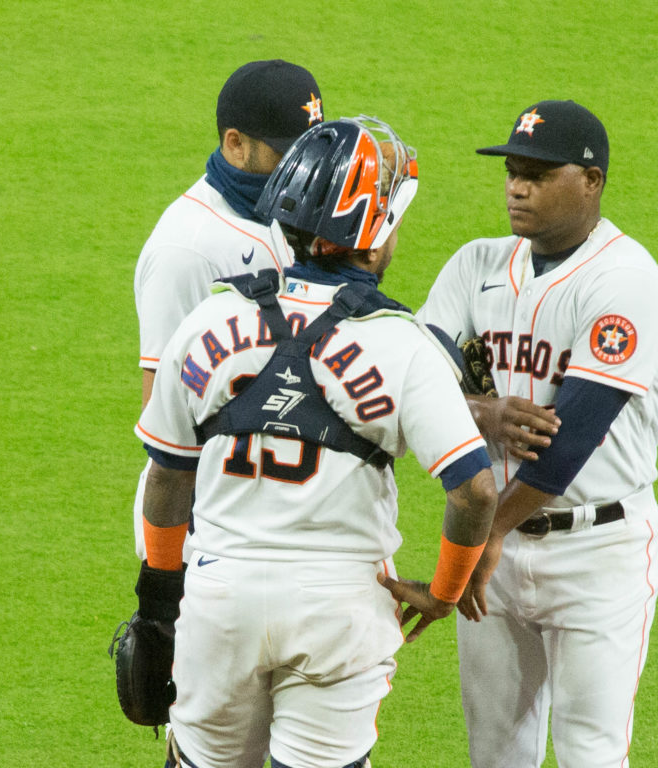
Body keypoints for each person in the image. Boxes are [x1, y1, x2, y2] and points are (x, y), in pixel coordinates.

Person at [132, 116, 498, 768]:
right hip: (339, 611)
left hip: (221, 601)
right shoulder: (404, 344)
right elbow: (474, 490)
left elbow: (166, 478)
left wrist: (158, 605)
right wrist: (444, 593)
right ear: (376, 232)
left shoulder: (210, 319)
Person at [417, 100, 658, 768]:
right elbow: (408, 381)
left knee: (591, 753)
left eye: (537, 172)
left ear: (590, 181)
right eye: (512, 171)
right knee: (496, 755)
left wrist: (488, 532)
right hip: (496, 550)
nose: (516, 186)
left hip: (597, 551)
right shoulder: (474, 265)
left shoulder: (626, 283)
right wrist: (484, 412)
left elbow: (571, 439)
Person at [131, 59, 324, 561]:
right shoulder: (188, 248)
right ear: (235, 143)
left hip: (283, 494)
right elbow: (165, 410)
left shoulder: (290, 210)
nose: (304, 165)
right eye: (287, 152)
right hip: (211, 519)